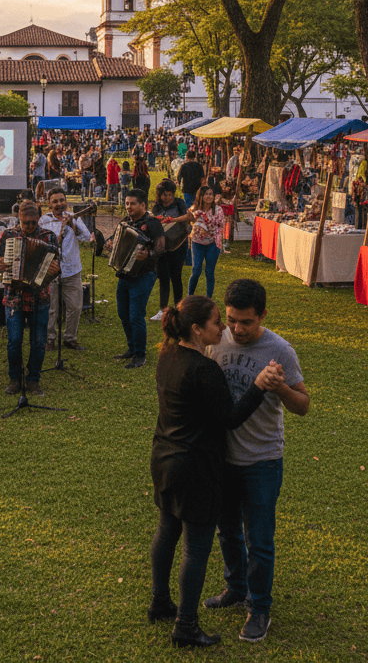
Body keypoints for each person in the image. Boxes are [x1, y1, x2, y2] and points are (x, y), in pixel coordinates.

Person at [149, 296, 283, 648]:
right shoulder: (204, 369)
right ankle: (186, 625)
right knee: (196, 548)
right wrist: (258, 385)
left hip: (164, 458)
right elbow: (230, 418)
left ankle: (160, 601)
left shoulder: (166, 354)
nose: (224, 327)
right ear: (197, 329)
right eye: (216, 322)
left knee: (166, 530)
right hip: (195, 468)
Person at [203, 279, 309, 643]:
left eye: (246, 322)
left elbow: (304, 406)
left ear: (262, 315)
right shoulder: (216, 342)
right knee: (227, 530)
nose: (237, 329)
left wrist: (279, 388)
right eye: (231, 320)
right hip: (223, 459)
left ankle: (259, 607)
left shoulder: (281, 350)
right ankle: (235, 587)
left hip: (262, 460)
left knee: (260, 539)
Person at [0, 200, 60, 396]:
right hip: (14, 297)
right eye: (25, 222)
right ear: (19, 219)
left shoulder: (48, 237)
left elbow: (56, 266)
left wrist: (55, 269)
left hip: (40, 297)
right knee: (14, 340)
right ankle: (14, 379)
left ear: (38, 219)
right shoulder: (8, 234)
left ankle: (33, 380)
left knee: (38, 341)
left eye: (33, 223)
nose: (28, 227)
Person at [111, 190, 166, 369]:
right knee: (123, 313)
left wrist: (148, 253)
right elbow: (116, 239)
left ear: (143, 205)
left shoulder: (153, 224)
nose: (129, 207)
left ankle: (140, 355)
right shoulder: (125, 222)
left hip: (144, 274)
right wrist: (109, 242)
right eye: (127, 204)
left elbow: (161, 248)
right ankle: (132, 348)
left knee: (136, 315)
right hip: (125, 273)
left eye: (133, 204)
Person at [40, 188, 94, 352]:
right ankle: (50, 339)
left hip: (72, 270)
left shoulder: (73, 218)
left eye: (62, 200)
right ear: (49, 204)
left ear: (66, 201)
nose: (59, 204)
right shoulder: (43, 221)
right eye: (55, 201)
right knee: (51, 308)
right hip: (51, 271)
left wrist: (72, 225)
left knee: (75, 307)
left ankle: (70, 338)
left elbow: (86, 238)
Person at [151, 180, 192, 321]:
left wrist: (172, 220)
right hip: (163, 247)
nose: (167, 198)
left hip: (178, 245)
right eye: (164, 195)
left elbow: (188, 218)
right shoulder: (156, 207)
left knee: (176, 276)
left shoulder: (179, 203)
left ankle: (178, 308)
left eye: (169, 194)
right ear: (159, 195)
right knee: (163, 277)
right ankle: (162, 309)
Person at [188, 186, 225, 298]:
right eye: (206, 194)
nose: (209, 196)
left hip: (212, 244)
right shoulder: (194, 209)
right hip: (197, 243)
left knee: (209, 271)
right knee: (196, 270)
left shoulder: (218, 209)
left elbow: (221, 223)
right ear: (201, 196)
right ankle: (190, 296)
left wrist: (206, 219)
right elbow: (189, 218)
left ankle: (209, 297)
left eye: (211, 194)